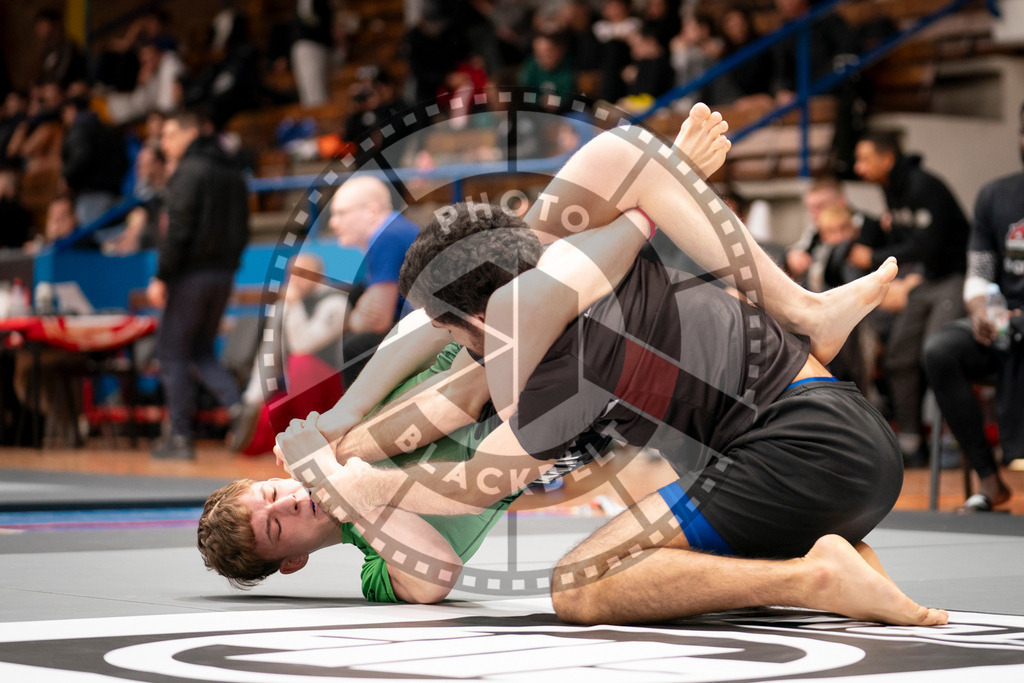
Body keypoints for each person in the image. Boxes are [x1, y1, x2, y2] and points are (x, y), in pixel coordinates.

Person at [278, 105, 944, 628]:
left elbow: (474, 483)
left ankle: (812, 577)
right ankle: (833, 540)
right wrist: (342, 427)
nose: (453, 344)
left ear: (480, 319)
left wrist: (348, 479)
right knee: (618, 164)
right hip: (841, 441)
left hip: (806, 454)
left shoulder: (554, 368)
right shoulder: (569, 259)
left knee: (579, 584)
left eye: (454, 330)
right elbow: (621, 156)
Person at [200, 341, 611, 600]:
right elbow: (437, 575)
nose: (289, 503)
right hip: (542, 433)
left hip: (491, 353)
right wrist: (328, 476)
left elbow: (427, 327)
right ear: (293, 561)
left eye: (273, 493)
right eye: (276, 527)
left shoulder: (339, 431)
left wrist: (339, 425)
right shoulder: (379, 569)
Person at [923, 106, 1024, 512]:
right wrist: (981, 310)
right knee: (940, 350)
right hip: (1004, 322)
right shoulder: (995, 196)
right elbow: (979, 272)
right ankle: (989, 478)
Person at [851, 130, 970, 466]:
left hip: (954, 277)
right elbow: (910, 240)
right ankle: (911, 443)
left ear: (887, 159)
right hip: (927, 278)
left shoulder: (923, 186)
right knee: (899, 356)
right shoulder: (890, 188)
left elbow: (928, 245)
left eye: (864, 159)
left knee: (937, 354)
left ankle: (952, 443)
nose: (858, 167)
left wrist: (874, 256)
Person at [148, 110, 249, 460]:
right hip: (223, 275)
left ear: (189, 133)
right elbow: (244, 228)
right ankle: (237, 407)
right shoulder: (232, 170)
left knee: (172, 352)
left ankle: (179, 438)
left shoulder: (189, 170)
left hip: (191, 275)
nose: (163, 143)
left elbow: (178, 227)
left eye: (169, 135)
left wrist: (162, 275)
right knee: (201, 349)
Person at [324, 175, 420, 387]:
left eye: (341, 213)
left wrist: (352, 320)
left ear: (371, 211)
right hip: (430, 328)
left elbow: (377, 320)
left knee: (355, 348)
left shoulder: (387, 238)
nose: (333, 223)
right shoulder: (396, 230)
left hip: (435, 334)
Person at [60, 95, 128, 226]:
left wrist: (66, 176)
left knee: (95, 232)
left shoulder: (80, 129)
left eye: (64, 113)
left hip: (91, 194)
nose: (64, 119)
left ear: (72, 109)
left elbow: (81, 156)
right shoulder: (103, 126)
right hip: (113, 190)